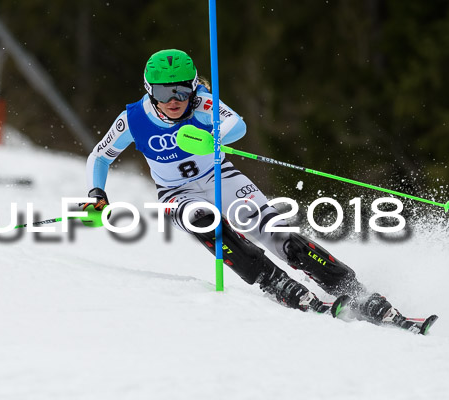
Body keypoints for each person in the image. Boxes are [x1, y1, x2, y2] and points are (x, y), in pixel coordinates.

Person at [83, 48, 418, 330]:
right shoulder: (133, 119)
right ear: (148, 91)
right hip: (176, 193)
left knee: (274, 231)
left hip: (219, 177)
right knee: (204, 222)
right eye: (162, 93)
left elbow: (236, 125)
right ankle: (273, 281)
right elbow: (100, 156)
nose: (173, 101)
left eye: (181, 92)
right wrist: (96, 193)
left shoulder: (202, 102)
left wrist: (215, 139)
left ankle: (352, 288)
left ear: (193, 86)